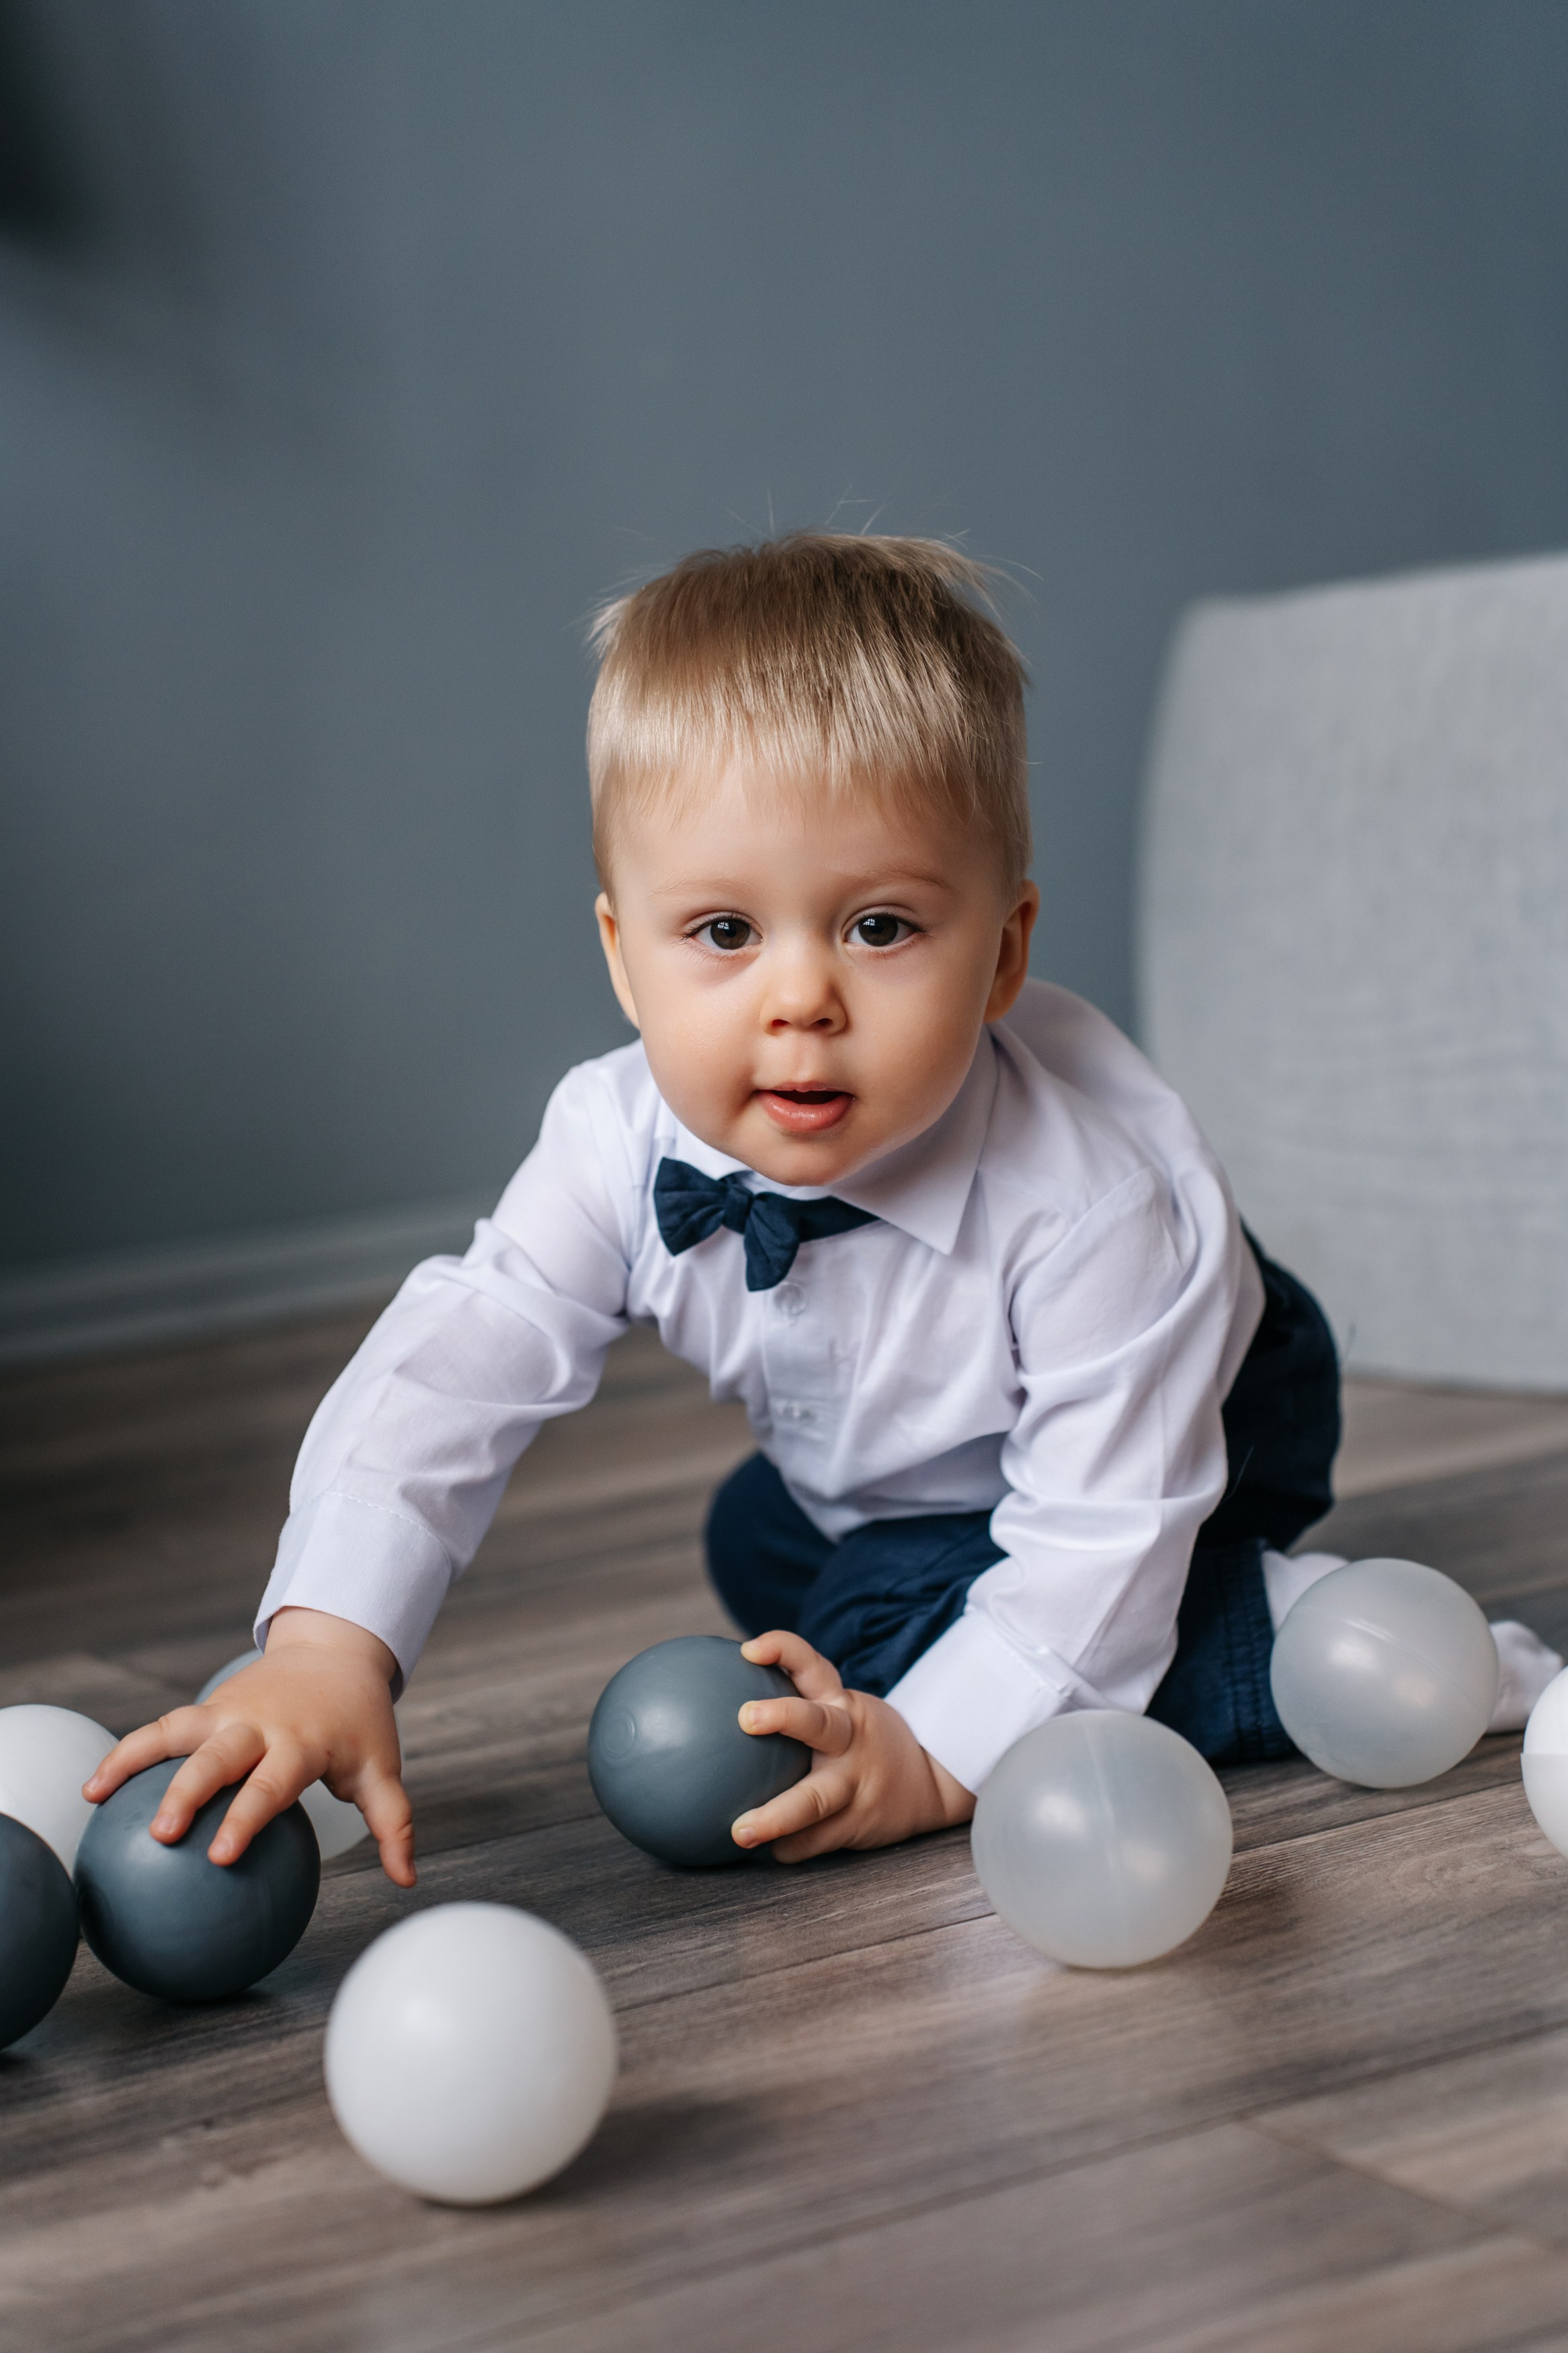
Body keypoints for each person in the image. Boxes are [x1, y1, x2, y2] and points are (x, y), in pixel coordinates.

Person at [85, 534, 1559, 1883]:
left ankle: (1291, 1626)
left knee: (885, 1637)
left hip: (1188, 1420)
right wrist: (328, 1642)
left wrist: (935, 1753)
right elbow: (456, 1365)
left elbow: (1102, 1528)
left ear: (1000, 956)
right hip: (929, 1456)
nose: (800, 998)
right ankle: (938, 1595)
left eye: (881, 927)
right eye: (723, 933)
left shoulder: (1099, 1202)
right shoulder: (615, 1136)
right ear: (625, 957)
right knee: (766, 1547)